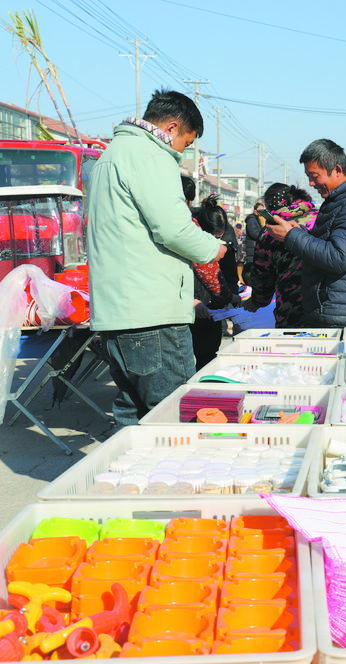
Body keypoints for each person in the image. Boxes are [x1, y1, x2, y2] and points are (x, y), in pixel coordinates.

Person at [86, 89, 224, 426]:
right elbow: (174, 229)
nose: (184, 152)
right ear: (173, 127)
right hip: (151, 315)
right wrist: (214, 249)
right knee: (174, 421)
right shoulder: (150, 156)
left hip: (117, 314)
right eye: (187, 143)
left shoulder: (111, 156)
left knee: (132, 419)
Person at [266, 138, 346, 326]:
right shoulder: (339, 200)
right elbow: (331, 246)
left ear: (337, 170)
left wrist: (291, 236)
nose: (311, 184)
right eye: (308, 177)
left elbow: (339, 257)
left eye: (315, 176)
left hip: (340, 316)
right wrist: (300, 233)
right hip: (332, 310)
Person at [244, 183, 317, 326]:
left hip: (291, 311)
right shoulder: (322, 218)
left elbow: (262, 276)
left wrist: (257, 301)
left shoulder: (271, 230)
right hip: (326, 307)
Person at [190, 194, 240, 369]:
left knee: (208, 355)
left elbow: (230, 273)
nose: (217, 239)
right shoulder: (191, 239)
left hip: (214, 309)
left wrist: (230, 297)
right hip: (192, 304)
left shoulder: (228, 239)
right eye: (213, 235)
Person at [242, 200, 266, 286]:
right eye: (260, 210)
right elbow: (254, 233)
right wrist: (264, 236)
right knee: (252, 269)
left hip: (257, 248)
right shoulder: (252, 219)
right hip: (253, 248)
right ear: (255, 210)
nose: (262, 212)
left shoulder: (259, 219)